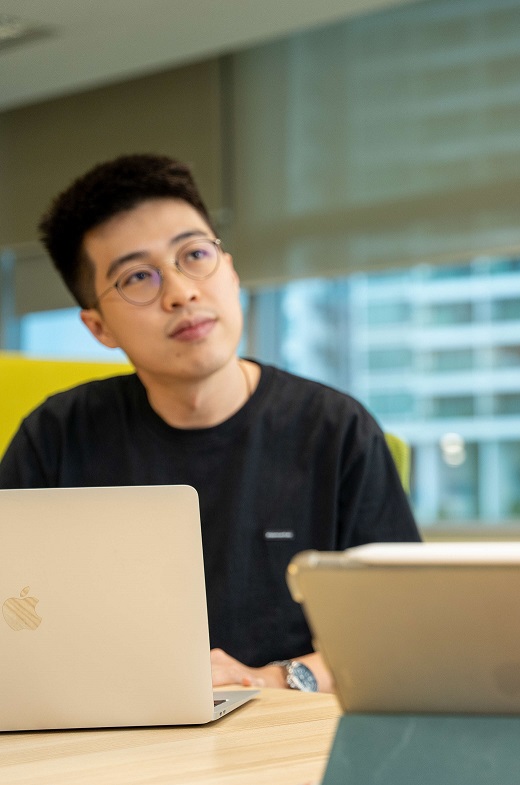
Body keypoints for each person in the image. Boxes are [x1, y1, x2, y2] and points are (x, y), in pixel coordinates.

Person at [0, 154, 420, 693]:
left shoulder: (336, 430)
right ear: (98, 327)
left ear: (231, 269)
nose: (181, 292)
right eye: (137, 277)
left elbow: (398, 631)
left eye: (195, 254)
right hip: (117, 735)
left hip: (287, 738)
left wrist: (271, 681)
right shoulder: (56, 437)